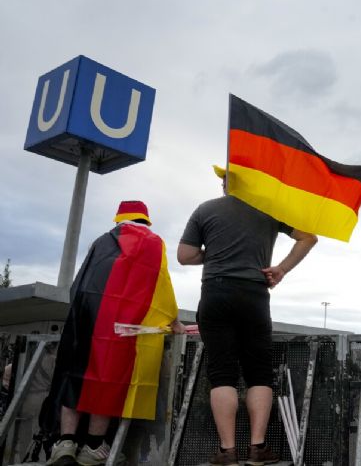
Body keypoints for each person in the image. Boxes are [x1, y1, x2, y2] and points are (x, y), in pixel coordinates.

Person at [178, 166, 317, 466]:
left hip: (215, 293)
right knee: (258, 373)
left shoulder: (205, 210)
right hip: (254, 295)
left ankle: (227, 451)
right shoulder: (269, 209)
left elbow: (184, 256)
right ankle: (257, 448)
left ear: (227, 184)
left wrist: (214, 253)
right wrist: (281, 268)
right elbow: (309, 237)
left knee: (222, 373)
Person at [46, 201, 183, 466]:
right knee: (106, 380)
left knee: (75, 375)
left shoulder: (101, 241)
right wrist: (174, 321)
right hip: (122, 327)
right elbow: (161, 285)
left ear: (120, 219)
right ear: (145, 220)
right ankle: (94, 447)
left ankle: (65, 443)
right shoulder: (154, 242)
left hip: (85, 317)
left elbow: (79, 282)